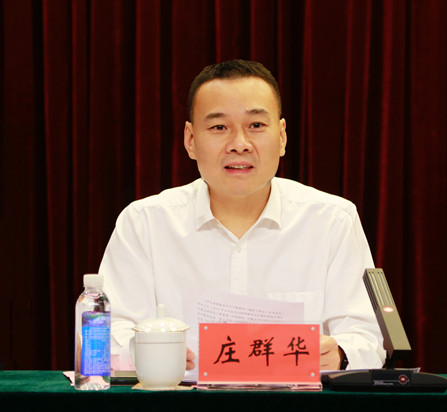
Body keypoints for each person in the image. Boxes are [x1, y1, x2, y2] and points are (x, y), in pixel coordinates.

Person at [99, 59, 385, 373]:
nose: (239, 144)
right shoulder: (144, 223)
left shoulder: (333, 220)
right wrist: (146, 350)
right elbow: (106, 334)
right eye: (219, 127)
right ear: (190, 140)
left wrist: (341, 353)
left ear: (282, 136)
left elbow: (367, 338)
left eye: (256, 126)